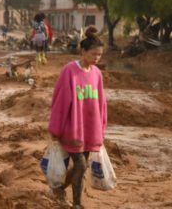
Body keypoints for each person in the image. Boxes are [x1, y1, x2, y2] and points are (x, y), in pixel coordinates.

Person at [48, 26, 107, 209]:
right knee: (80, 165)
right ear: (83, 51)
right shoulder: (69, 71)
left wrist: (101, 127)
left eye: (99, 55)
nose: (96, 58)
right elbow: (60, 100)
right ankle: (76, 203)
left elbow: (101, 103)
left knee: (81, 168)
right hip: (72, 128)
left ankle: (62, 193)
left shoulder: (97, 74)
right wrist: (55, 128)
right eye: (93, 54)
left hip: (89, 128)